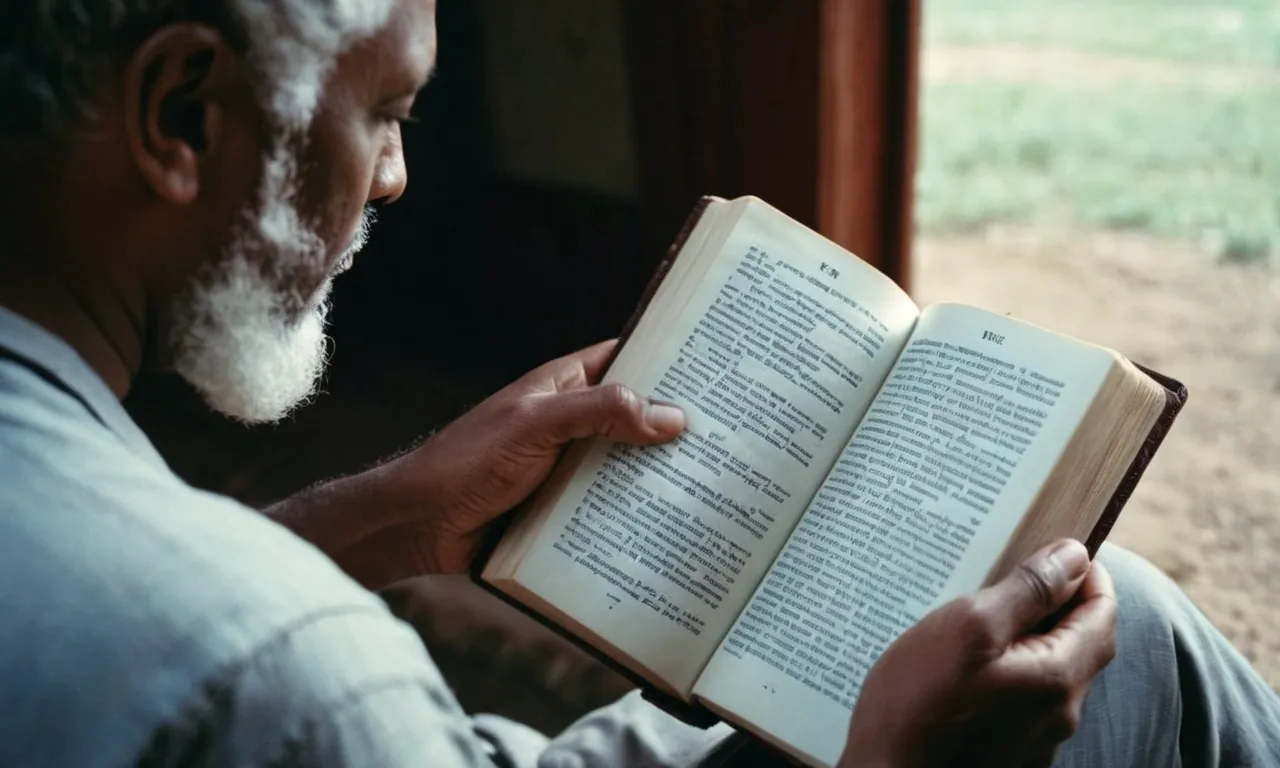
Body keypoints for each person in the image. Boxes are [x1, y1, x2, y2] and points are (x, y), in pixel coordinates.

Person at [0, 1, 1276, 766]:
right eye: (383, 108)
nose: (389, 175)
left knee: (1132, 637)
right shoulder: (297, 686)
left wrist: (384, 515)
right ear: (181, 118)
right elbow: (228, 668)